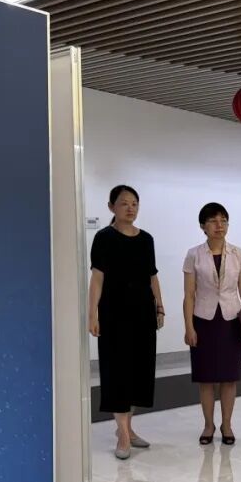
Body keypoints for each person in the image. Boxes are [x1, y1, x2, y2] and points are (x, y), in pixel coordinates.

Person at [89, 185, 164, 460]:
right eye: (124, 203)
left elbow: (152, 276)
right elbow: (97, 278)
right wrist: (92, 314)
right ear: (111, 207)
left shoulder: (146, 240)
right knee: (117, 372)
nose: (130, 208)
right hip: (114, 314)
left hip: (142, 313)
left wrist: (160, 306)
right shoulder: (104, 238)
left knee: (137, 373)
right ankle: (122, 433)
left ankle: (128, 428)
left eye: (134, 203)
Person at [182, 202, 241, 446]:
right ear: (202, 226)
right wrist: (189, 327)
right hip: (203, 320)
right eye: (213, 221)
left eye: (223, 220)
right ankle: (208, 425)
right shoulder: (194, 254)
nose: (219, 225)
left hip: (231, 320)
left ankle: (226, 424)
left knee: (229, 377)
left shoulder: (238, 253)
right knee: (205, 378)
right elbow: (189, 295)